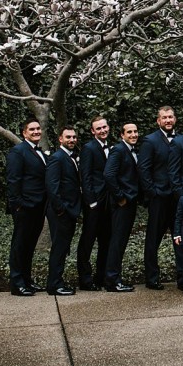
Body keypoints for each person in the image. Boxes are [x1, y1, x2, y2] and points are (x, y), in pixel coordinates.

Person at [137, 106, 182, 290]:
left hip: (178, 197)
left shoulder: (181, 139)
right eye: (164, 118)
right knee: (153, 239)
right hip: (159, 197)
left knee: (180, 237)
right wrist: (153, 192)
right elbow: (143, 169)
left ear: (175, 119)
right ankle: (152, 277)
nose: (168, 120)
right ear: (158, 121)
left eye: (170, 117)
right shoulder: (150, 141)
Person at [6, 119, 47, 297]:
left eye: (38, 128)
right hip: (24, 207)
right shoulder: (18, 151)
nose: (36, 131)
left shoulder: (39, 152)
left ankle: (27, 280)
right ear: (24, 133)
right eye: (32, 129)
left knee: (30, 245)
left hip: (38, 206)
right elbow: (13, 180)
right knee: (20, 245)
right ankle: (17, 283)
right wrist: (18, 205)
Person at [103, 122, 140, 292]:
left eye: (135, 131)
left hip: (130, 202)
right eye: (129, 132)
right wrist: (120, 198)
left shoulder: (132, 150)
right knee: (117, 241)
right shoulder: (118, 150)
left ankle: (114, 277)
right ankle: (112, 280)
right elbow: (109, 174)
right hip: (122, 204)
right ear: (122, 135)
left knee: (121, 241)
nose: (133, 134)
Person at [76, 115, 112, 291]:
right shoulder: (88, 148)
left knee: (106, 241)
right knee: (87, 241)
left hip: (108, 203)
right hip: (94, 204)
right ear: (93, 131)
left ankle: (101, 276)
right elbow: (85, 176)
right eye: (98, 128)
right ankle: (85, 279)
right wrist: (91, 202)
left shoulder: (112, 148)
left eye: (104, 127)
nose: (102, 130)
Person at [44, 126, 80, 296]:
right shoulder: (57, 158)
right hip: (61, 212)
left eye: (73, 137)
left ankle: (57, 281)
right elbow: (52, 188)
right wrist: (61, 210)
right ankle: (54, 285)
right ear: (60, 139)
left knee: (63, 247)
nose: (72, 140)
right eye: (68, 137)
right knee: (59, 248)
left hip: (69, 211)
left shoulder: (70, 157)